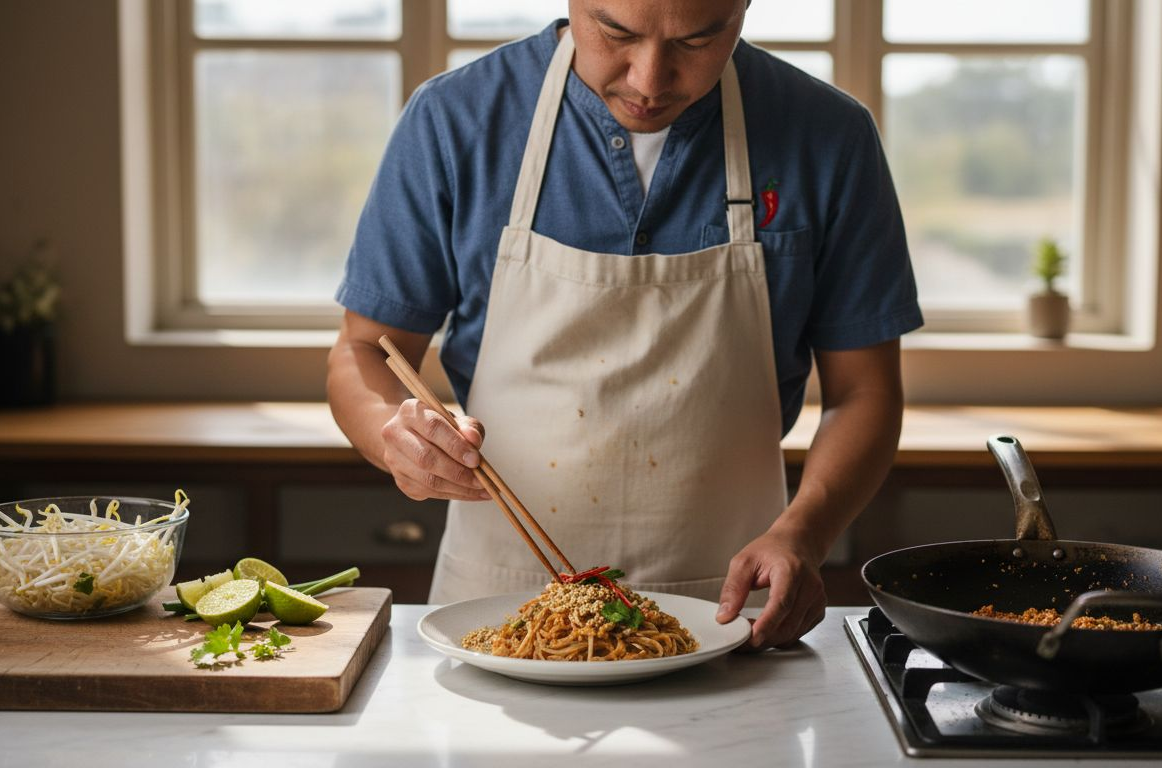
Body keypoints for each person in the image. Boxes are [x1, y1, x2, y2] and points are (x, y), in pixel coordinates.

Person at [327, 0, 922, 649]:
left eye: (698, 39)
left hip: (732, 611)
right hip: (500, 614)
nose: (649, 79)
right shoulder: (456, 119)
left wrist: (802, 533)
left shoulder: (828, 134)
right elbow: (364, 352)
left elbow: (864, 391)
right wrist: (395, 436)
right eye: (617, 32)